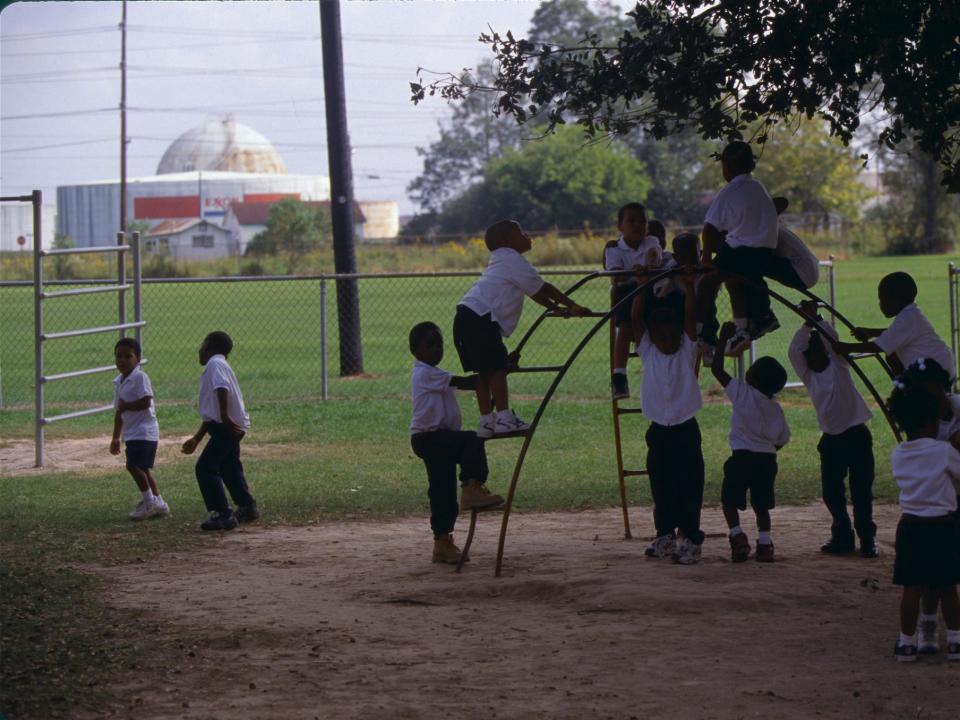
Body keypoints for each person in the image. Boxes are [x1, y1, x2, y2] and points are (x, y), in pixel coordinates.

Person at [454, 219, 591, 436]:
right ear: (505, 241)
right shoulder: (511, 258)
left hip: (465, 315)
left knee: (484, 372)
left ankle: (487, 421)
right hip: (481, 317)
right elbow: (541, 288)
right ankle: (505, 418)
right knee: (498, 368)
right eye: (520, 231)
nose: (527, 234)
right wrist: (570, 305)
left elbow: (534, 291)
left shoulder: (500, 260)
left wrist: (556, 308)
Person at [408, 321, 504, 564]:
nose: (437, 349)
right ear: (416, 350)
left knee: (442, 491)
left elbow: (473, 385)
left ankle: (442, 542)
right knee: (472, 440)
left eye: (440, 344)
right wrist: (494, 368)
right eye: (430, 345)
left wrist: (497, 372)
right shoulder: (425, 373)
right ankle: (472, 486)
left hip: (439, 439)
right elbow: (469, 382)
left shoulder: (435, 374)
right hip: (428, 438)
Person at [788, 301, 876, 557]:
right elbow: (795, 349)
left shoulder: (839, 365)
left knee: (862, 491)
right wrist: (806, 323)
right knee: (831, 492)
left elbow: (832, 341)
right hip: (831, 440)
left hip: (857, 436)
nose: (811, 357)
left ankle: (867, 539)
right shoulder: (808, 375)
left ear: (826, 353)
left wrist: (817, 319)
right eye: (808, 355)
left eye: (816, 352)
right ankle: (843, 536)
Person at [632, 270, 706, 565]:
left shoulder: (686, 353)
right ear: (652, 338)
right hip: (659, 430)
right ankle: (664, 534)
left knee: (689, 484)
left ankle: (689, 539)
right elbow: (636, 321)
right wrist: (640, 288)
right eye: (662, 337)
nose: (669, 341)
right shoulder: (648, 352)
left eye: (674, 336)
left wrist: (688, 288)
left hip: (686, 428)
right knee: (661, 484)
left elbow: (689, 320)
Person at [886, 381, 960, 662]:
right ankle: (955, 641)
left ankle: (906, 643)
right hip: (943, 525)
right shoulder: (943, 451)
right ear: (931, 420)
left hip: (911, 526)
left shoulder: (899, 454)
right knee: (948, 587)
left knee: (911, 589)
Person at [712, 322, 790, 562]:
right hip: (767, 460)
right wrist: (767, 448)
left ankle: (737, 537)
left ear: (753, 379)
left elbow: (717, 369)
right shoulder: (775, 408)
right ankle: (765, 544)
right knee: (761, 505)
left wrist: (722, 340)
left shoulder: (743, 393)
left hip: (742, 457)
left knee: (729, 500)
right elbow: (782, 439)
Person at [701, 141, 780, 357]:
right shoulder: (759, 189)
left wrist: (706, 259)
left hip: (742, 250)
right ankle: (753, 322)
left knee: (707, 282)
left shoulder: (729, 192)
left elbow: (709, 228)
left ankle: (706, 335)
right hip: (764, 253)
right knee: (735, 282)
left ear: (725, 167)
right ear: (751, 166)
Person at [180, 331, 260, 532]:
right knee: (228, 466)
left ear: (207, 348)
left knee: (205, 467)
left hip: (227, 426)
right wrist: (198, 438)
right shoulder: (220, 363)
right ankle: (247, 506)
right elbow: (211, 412)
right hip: (229, 426)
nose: (199, 351)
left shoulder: (214, 364)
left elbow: (221, 388)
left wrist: (225, 416)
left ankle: (223, 514)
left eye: (201, 346)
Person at [832, 271, 954, 378]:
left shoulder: (908, 318)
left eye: (883, 299)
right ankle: (904, 387)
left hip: (936, 371)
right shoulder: (910, 314)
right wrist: (871, 332)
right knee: (892, 356)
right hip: (938, 366)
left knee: (891, 354)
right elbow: (895, 334)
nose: (881, 304)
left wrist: (847, 348)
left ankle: (906, 391)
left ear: (897, 299)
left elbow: (878, 347)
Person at [603, 203, 662, 399]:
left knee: (656, 330)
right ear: (620, 226)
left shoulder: (651, 241)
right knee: (626, 328)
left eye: (642, 221)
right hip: (627, 292)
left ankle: (658, 374)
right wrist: (632, 274)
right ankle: (619, 376)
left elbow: (654, 257)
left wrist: (649, 266)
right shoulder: (614, 249)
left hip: (650, 290)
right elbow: (615, 276)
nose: (637, 225)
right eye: (631, 221)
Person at [109, 337, 169, 520]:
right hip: (132, 432)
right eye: (119, 356)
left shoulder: (140, 377)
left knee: (133, 465)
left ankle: (149, 502)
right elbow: (119, 411)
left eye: (128, 356)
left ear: (138, 359)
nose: (122, 360)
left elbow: (145, 401)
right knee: (142, 467)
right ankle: (159, 503)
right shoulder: (119, 381)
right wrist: (115, 437)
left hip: (145, 430)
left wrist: (127, 406)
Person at [766, 197, 820, 291]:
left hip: (800, 272)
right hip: (810, 271)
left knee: (755, 261)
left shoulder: (768, 229)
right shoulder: (776, 227)